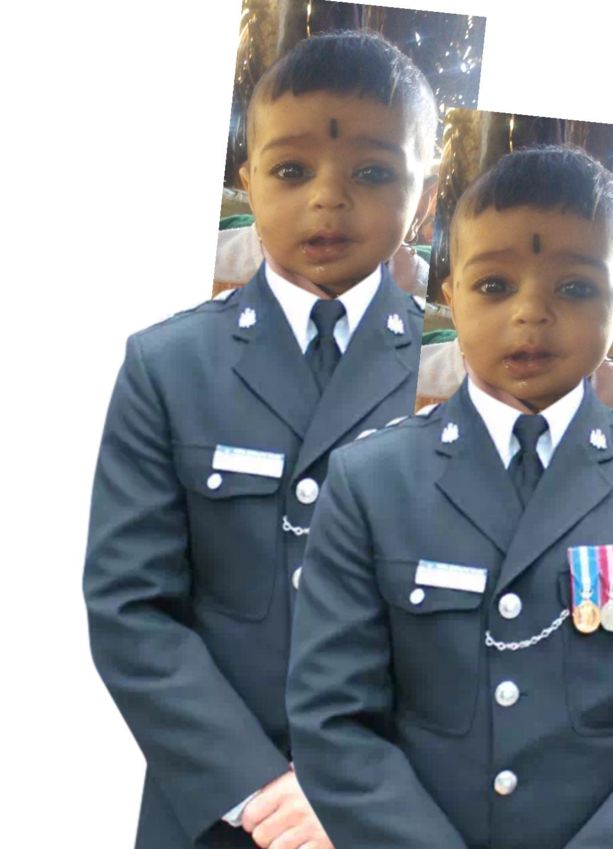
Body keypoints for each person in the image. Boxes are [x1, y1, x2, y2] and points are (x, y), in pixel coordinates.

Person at [83, 30, 436, 849]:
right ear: (247, 179)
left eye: (372, 173)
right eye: (291, 169)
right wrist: (261, 791)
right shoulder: (169, 365)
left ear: (422, 194)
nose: (328, 200)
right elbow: (131, 606)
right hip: (215, 811)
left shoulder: (467, 379)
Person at [287, 145, 613, 849]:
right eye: (494, 284)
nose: (531, 314)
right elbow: (333, 719)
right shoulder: (369, 481)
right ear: (450, 295)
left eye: (575, 288)